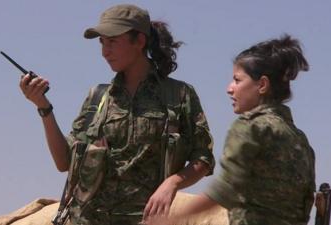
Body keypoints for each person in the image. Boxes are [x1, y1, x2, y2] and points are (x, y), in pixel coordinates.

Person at [19, 4, 215, 225]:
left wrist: (172, 184)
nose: (105, 51)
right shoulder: (98, 98)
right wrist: (44, 107)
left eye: (112, 41)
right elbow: (64, 162)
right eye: (102, 42)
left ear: (139, 41)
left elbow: (203, 159)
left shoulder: (179, 94)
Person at [148, 34, 316, 225]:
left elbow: (224, 191)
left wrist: (172, 220)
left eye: (237, 80)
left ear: (262, 85)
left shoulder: (252, 127)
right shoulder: (299, 139)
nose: (230, 88)